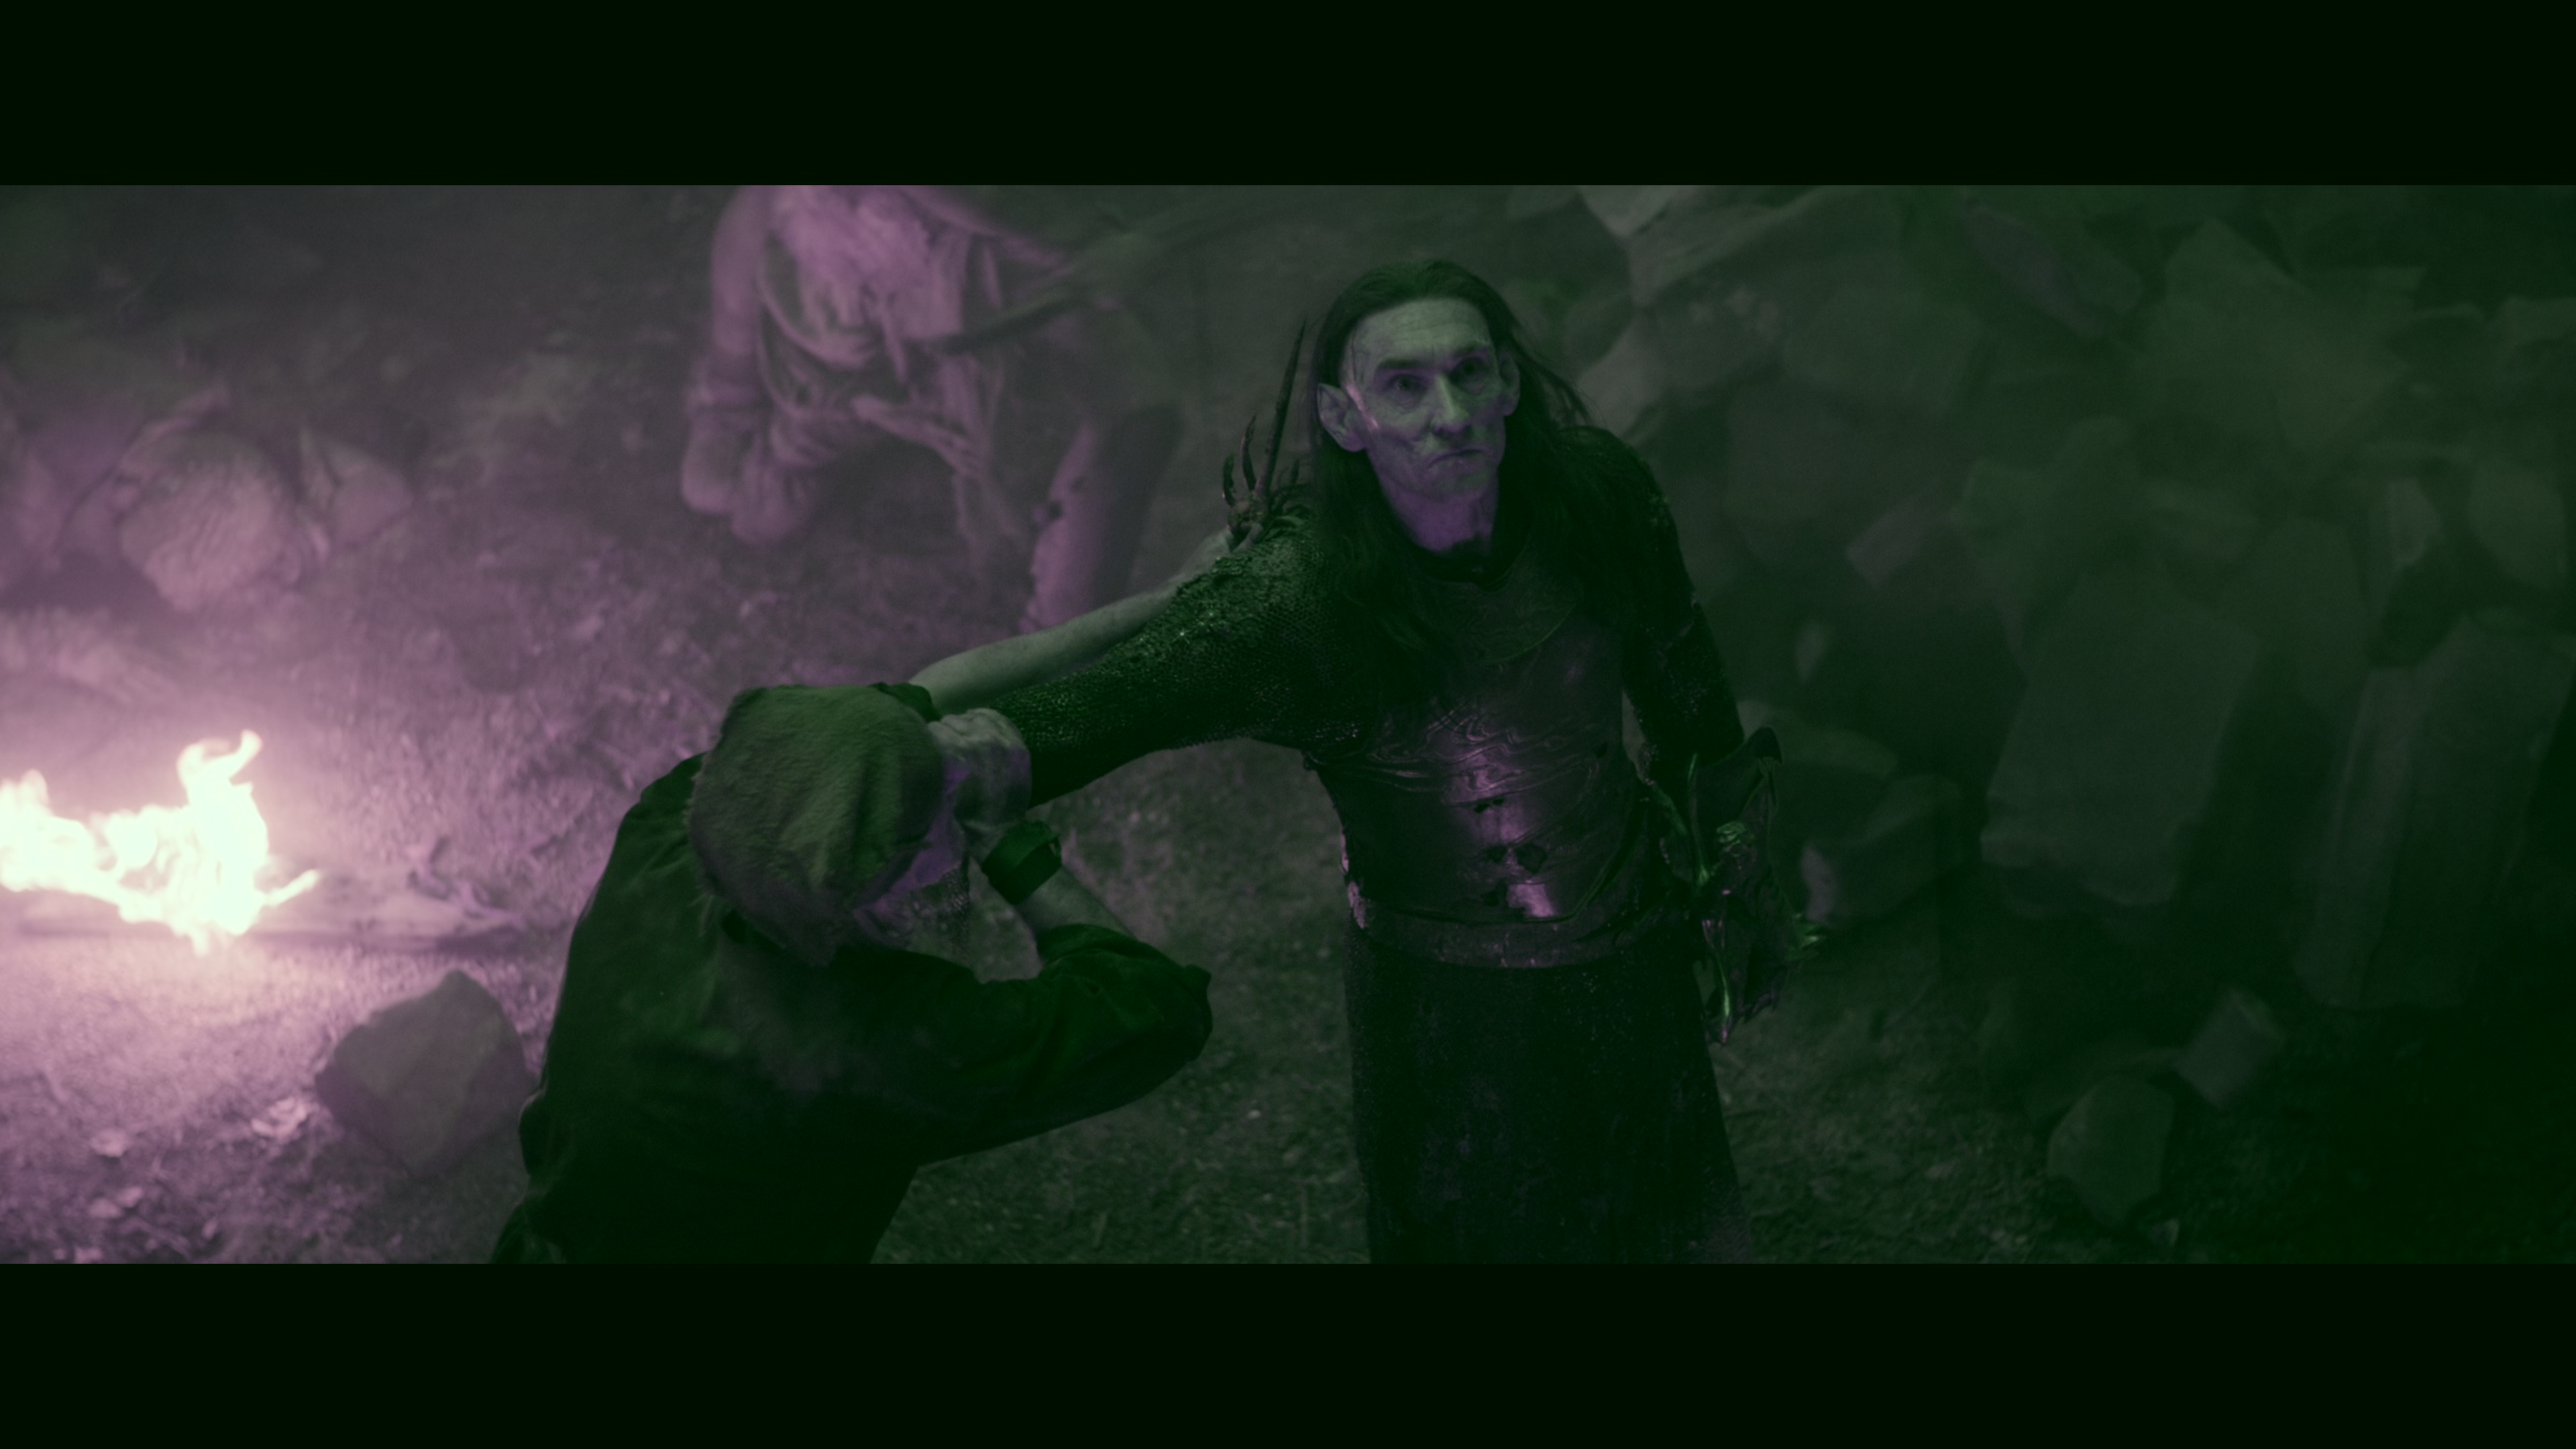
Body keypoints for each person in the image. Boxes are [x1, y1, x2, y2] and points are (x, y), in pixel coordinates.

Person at [916, 260, 1801, 1263]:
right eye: (1405, 386)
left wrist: (1739, 874)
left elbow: (1691, 695)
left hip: (1632, 947)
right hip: (1446, 1004)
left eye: (1471, 372)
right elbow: (1097, 713)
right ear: (1345, 418)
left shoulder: (1598, 496)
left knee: (1667, 1206)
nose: (1450, 414)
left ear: (1509, 382)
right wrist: (939, 756)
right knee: (1474, 1230)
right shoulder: (1299, 602)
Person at [491, 682, 1211, 1263]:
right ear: (878, 888)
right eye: (935, 824)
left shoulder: (666, 831)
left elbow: (911, 701)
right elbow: (1159, 1009)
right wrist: (1003, 835)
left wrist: (1151, 605)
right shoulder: (878, 1043)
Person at [679, 185, 1181, 632]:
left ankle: (1062, 634)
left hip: (955, 267)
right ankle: (764, 423)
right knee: (744, 497)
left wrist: (1097, 239)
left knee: (1138, 409)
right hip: (870, 292)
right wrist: (1073, 244)